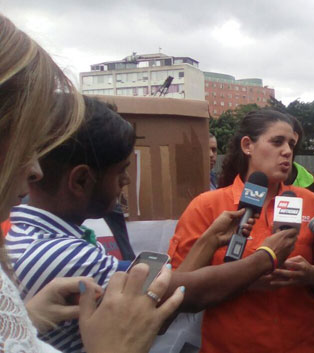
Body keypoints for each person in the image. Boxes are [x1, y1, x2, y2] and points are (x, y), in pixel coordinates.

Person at [0, 14, 182, 353]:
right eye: (21, 143)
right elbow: (185, 289)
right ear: (82, 178)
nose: (34, 170)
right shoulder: (59, 254)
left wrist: (25, 323)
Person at [167, 109, 314, 353]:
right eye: (277, 142)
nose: (287, 151)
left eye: (291, 144)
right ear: (248, 145)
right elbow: (177, 289)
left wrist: (313, 275)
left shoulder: (309, 201)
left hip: (306, 343)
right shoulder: (207, 206)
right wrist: (241, 277)